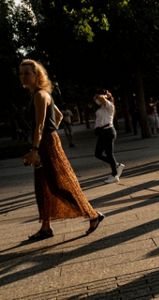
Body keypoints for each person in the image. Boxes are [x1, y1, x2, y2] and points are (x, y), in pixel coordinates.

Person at [19, 59, 104, 240]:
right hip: (46, 141)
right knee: (42, 187)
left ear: (37, 75)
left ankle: (93, 214)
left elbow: (39, 126)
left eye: (27, 73)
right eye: (21, 73)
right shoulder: (42, 94)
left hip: (45, 144)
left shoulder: (40, 96)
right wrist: (52, 132)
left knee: (58, 185)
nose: (23, 76)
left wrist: (35, 148)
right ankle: (45, 227)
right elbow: (57, 116)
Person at [94, 89, 125, 183]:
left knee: (109, 153)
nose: (96, 100)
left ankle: (115, 175)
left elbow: (100, 97)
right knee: (98, 154)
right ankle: (117, 165)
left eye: (97, 98)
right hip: (102, 132)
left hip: (108, 132)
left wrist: (107, 95)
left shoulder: (109, 105)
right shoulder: (102, 107)